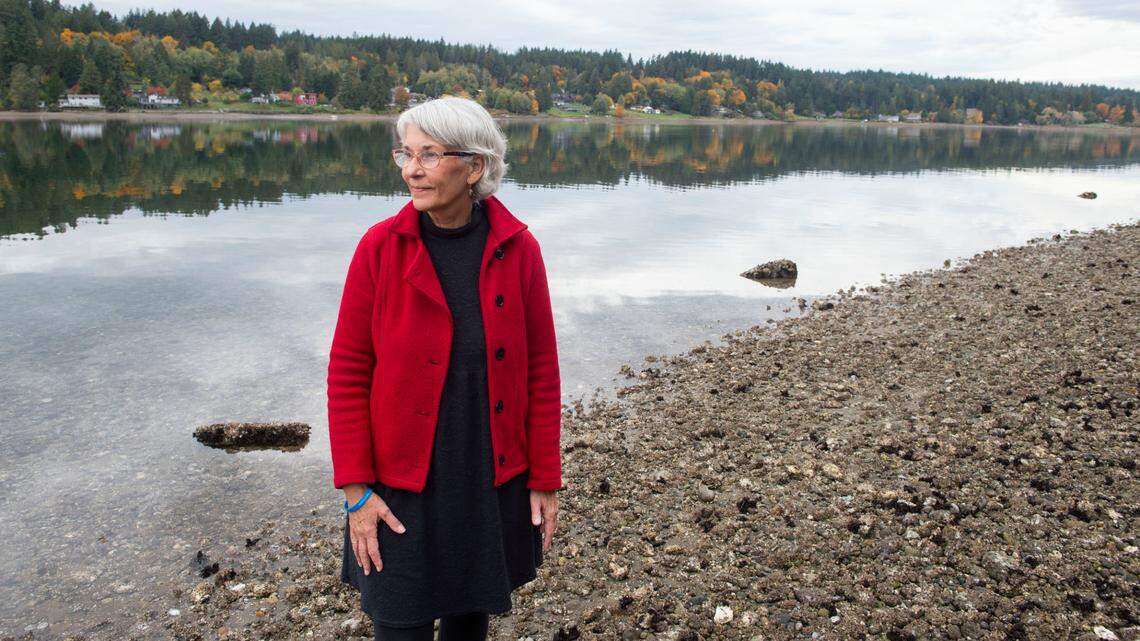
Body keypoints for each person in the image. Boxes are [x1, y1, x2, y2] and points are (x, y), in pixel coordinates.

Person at [327, 96, 564, 641]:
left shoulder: (518, 249)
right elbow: (347, 372)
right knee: (399, 622)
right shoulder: (379, 249)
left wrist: (544, 477)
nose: (412, 169)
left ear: (474, 167)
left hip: (487, 477)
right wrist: (356, 492)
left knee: (468, 618)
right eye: (405, 154)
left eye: (429, 155)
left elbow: (542, 372)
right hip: (399, 488)